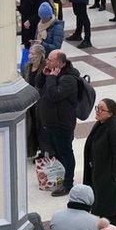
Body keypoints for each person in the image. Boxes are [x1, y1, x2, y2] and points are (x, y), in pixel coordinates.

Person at [36, 50, 81, 196]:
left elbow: (54, 95)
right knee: (58, 153)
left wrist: (51, 78)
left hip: (62, 124)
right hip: (51, 122)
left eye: (50, 60)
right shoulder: (53, 73)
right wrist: (44, 74)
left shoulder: (69, 79)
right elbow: (37, 84)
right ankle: (60, 178)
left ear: (60, 63)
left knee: (66, 153)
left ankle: (68, 184)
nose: (47, 62)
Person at [83, 99, 116, 223]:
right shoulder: (100, 125)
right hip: (97, 175)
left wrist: (112, 176)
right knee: (100, 211)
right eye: (97, 108)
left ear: (110, 113)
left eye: (102, 109)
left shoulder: (115, 130)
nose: (98, 111)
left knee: (108, 215)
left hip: (107, 180)